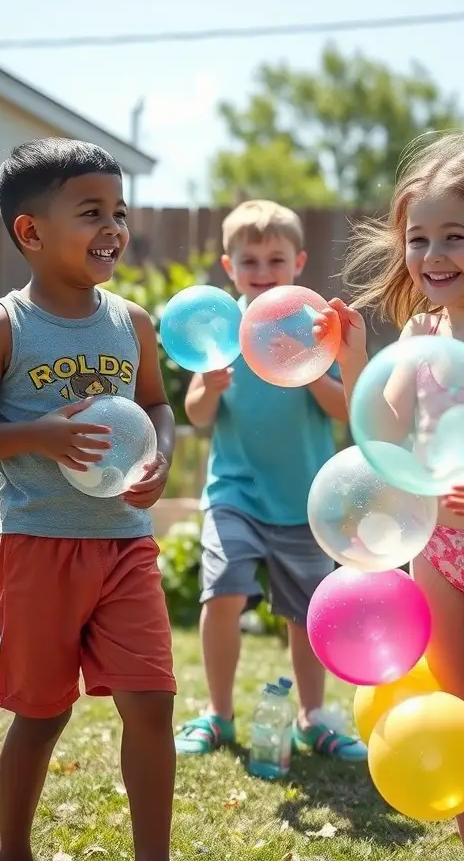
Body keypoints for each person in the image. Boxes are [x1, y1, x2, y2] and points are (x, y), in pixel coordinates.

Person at [324, 134, 464, 861]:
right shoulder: (420, 333)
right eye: (419, 239)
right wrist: (356, 361)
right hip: (440, 550)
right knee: (463, 721)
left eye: (456, 236)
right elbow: (381, 433)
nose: (433, 254)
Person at [0, 138, 177, 861]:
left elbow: (156, 407)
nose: (113, 229)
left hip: (126, 540)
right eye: (91, 212)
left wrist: (162, 453)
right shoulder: (4, 328)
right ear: (30, 232)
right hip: (40, 544)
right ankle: (12, 851)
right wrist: (39, 435)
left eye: (118, 211)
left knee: (152, 702)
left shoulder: (134, 324)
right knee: (42, 714)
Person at [176, 199, 367, 761]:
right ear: (229, 267)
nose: (262, 271)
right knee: (224, 590)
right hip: (233, 493)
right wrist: (208, 387)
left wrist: (306, 369)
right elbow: (197, 415)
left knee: (305, 613)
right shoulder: (220, 331)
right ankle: (218, 714)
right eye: (250, 260)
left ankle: (312, 716)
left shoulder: (314, 330)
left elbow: (343, 411)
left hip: (303, 501)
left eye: (275, 260)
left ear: (298, 263)